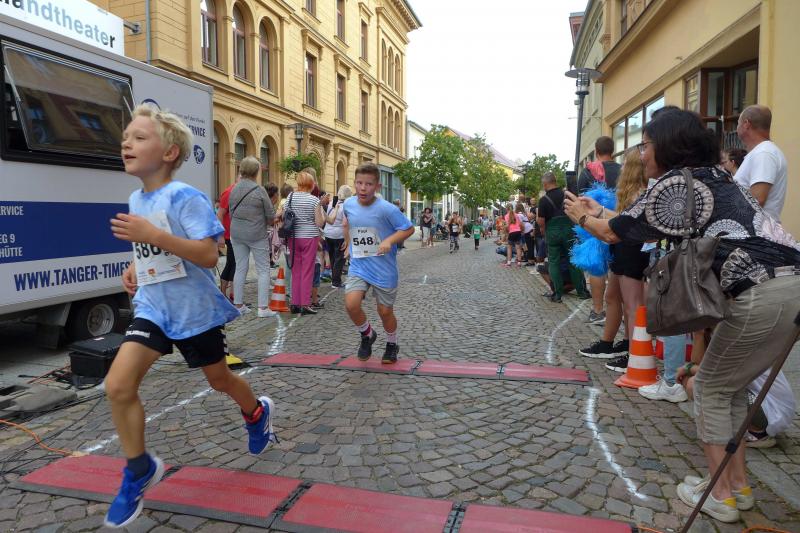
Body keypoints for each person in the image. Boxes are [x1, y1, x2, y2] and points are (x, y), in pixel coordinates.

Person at [565, 108, 800, 524]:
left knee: (709, 388)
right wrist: (599, 212)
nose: (641, 153)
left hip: (757, 289)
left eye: (645, 145)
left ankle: (720, 496)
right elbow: (633, 224)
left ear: (668, 146)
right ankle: (737, 487)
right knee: (731, 388)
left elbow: (615, 233)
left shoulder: (676, 182)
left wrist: (583, 217)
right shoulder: (714, 178)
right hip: (788, 283)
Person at [105, 106, 276, 528]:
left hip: (194, 312)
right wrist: (135, 265)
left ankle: (256, 413)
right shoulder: (137, 199)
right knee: (118, 385)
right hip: (153, 308)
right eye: (126, 137)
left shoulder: (186, 197)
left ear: (169, 152)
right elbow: (151, 249)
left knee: (219, 380)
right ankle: (139, 468)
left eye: (139, 137)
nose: (127, 143)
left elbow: (208, 253)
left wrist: (153, 236)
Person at [579, 148, 648, 364]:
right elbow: (621, 219)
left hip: (631, 248)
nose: (622, 167)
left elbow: (625, 223)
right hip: (623, 246)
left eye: (626, 163)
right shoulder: (630, 192)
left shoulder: (641, 193)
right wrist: (599, 211)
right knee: (613, 297)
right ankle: (612, 344)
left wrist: (588, 218)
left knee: (631, 303)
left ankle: (634, 354)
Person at [343, 163, 414, 363]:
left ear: (377, 187)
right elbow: (348, 223)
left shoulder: (387, 209)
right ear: (354, 183)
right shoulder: (348, 204)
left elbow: (408, 228)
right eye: (359, 183)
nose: (363, 188)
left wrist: (389, 241)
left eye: (368, 184)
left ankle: (392, 343)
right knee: (351, 304)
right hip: (359, 265)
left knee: (384, 311)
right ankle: (367, 334)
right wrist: (348, 243)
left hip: (383, 268)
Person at [579, 136, 622, 325]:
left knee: (597, 266)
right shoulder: (623, 169)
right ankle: (620, 312)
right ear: (613, 151)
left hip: (595, 222)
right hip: (619, 219)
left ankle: (598, 311)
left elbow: (581, 201)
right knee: (619, 266)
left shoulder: (588, 171)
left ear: (596, 151)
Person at [228, 156, 276, 318]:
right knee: (263, 269)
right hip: (256, 234)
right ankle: (263, 308)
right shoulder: (259, 190)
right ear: (256, 172)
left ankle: (238, 305)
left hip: (236, 233)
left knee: (240, 267)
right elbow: (270, 215)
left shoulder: (234, 189)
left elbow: (230, 211)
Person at [537, 172, 590, 303]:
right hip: (569, 231)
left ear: (545, 184)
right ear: (555, 181)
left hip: (552, 233)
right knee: (573, 261)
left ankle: (557, 294)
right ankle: (582, 292)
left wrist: (544, 233)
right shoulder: (567, 195)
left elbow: (541, 221)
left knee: (554, 263)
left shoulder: (543, 200)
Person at [278, 171, 325, 315]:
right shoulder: (314, 200)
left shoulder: (290, 197)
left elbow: (283, 215)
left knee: (296, 270)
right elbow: (319, 222)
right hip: (309, 237)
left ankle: (295, 303)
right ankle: (305, 303)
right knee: (307, 271)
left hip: (293, 237)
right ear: (311, 184)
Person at [734, 105, 787, 221]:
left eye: (738, 123)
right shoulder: (762, 152)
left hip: (757, 229)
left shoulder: (763, 153)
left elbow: (758, 199)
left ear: (746, 124)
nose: (736, 128)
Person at [324, 185, 353, 288]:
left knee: (332, 257)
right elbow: (345, 224)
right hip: (339, 235)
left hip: (328, 233)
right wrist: (347, 239)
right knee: (339, 259)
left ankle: (334, 279)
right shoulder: (346, 206)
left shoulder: (332, 202)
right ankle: (336, 282)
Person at [216, 177, 239, 301]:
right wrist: (220, 236)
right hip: (230, 235)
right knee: (235, 264)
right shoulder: (229, 192)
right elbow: (219, 214)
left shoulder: (238, 191)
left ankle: (225, 293)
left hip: (236, 234)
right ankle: (233, 295)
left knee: (231, 263)